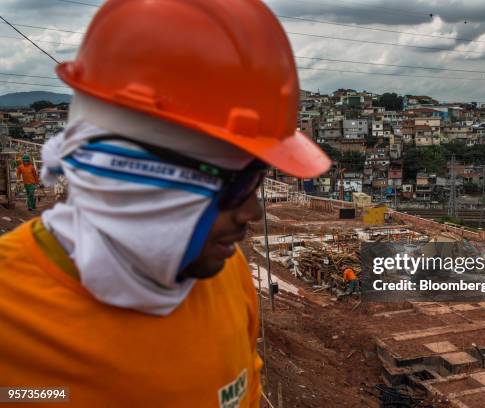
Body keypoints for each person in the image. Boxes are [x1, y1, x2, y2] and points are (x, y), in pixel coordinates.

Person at [0, 1, 330, 406]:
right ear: (138, 177)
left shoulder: (227, 273)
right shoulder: (11, 323)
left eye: (259, 179)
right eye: (239, 183)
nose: (253, 213)